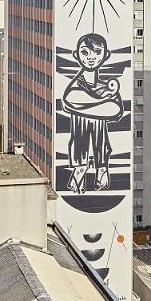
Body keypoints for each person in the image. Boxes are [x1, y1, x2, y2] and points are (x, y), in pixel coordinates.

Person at [62, 33, 123, 193]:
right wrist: (103, 100)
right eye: (85, 52)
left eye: (97, 53)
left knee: (101, 166)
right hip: (79, 145)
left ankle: (99, 173)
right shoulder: (78, 83)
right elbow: (70, 99)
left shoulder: (104, 86)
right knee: (80, 168)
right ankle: (78, 184)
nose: (91, 57)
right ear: (76, 55)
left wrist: (86, 105)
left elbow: (115, 111)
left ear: (106, 55)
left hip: (101, 151)